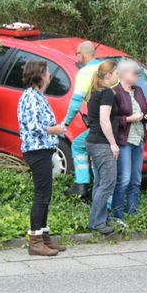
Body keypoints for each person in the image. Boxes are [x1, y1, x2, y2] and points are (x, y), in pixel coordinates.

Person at [17, 60, 68, 256]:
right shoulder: (31, 97)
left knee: (46, 195)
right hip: (36, 151)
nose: (50, 76)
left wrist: (56, 128)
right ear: (40, 75)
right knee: (41, 195)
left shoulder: (37, 96)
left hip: (43, 149)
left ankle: (44, 237)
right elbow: (33, 127)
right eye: (47, 72)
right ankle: (35, 241)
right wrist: (54, 129)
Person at [111, 59, 147, 227]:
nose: (137, 76)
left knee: (136, 179)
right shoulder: (115, 93)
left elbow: (144, 109)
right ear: (124, 73)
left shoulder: (139, 91)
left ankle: (133, 212)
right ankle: (117, 215)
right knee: (124, 179)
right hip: (124, 141)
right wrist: (128, 119)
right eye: (135, 73)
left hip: (139, 139)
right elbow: (110, 119)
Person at [85, 60, 121, 235]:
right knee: (108, 182)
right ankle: (97, 222)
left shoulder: (95, 91)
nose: (117, 76)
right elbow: (104, 119)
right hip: (102, 143)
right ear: (108, 76)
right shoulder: (106, 93)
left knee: (100, 183)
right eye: (115, 73)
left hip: (93, 141)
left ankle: (99, 219)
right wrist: (113, 143)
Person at [61, 41, 99, 198]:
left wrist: (66, 123)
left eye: (77, 54)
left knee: (78, 145)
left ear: (82, 54)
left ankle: (82, 185)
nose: (77, 57)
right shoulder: (106, 67)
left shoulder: (85, 72)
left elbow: (76, 102)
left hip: (101, 123)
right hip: (116, 121)